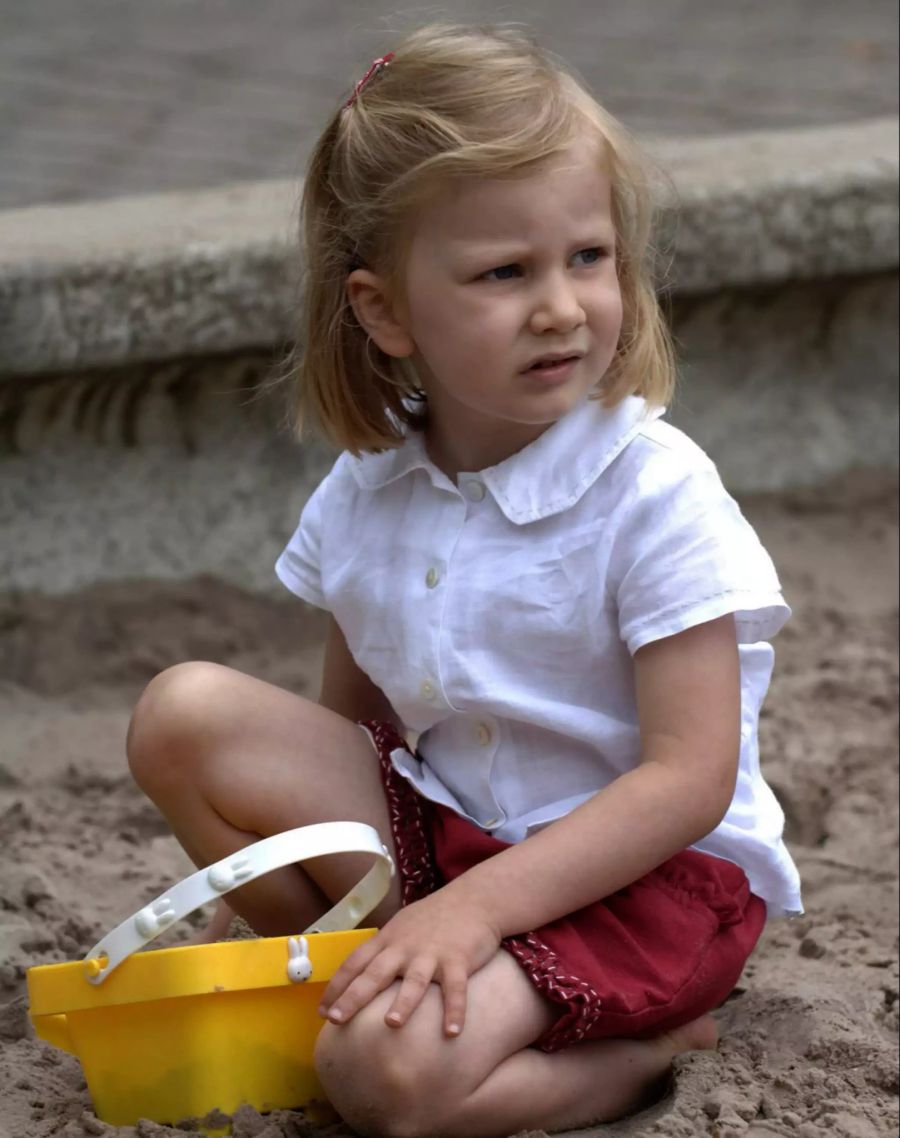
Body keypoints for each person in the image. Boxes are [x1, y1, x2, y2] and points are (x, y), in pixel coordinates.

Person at [126, 23, 802, 1137]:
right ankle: (365, 966)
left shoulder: (653, 489)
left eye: (588, 257)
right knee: (182, 715)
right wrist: (425, 896)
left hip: (638, 883)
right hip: (452, 838)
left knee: (387, 1077)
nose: (561, 306)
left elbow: (689, 777)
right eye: (505, 272)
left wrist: (481, 907)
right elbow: (356, 732)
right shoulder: (369, 488)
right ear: (384, 311)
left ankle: (638, 1056)